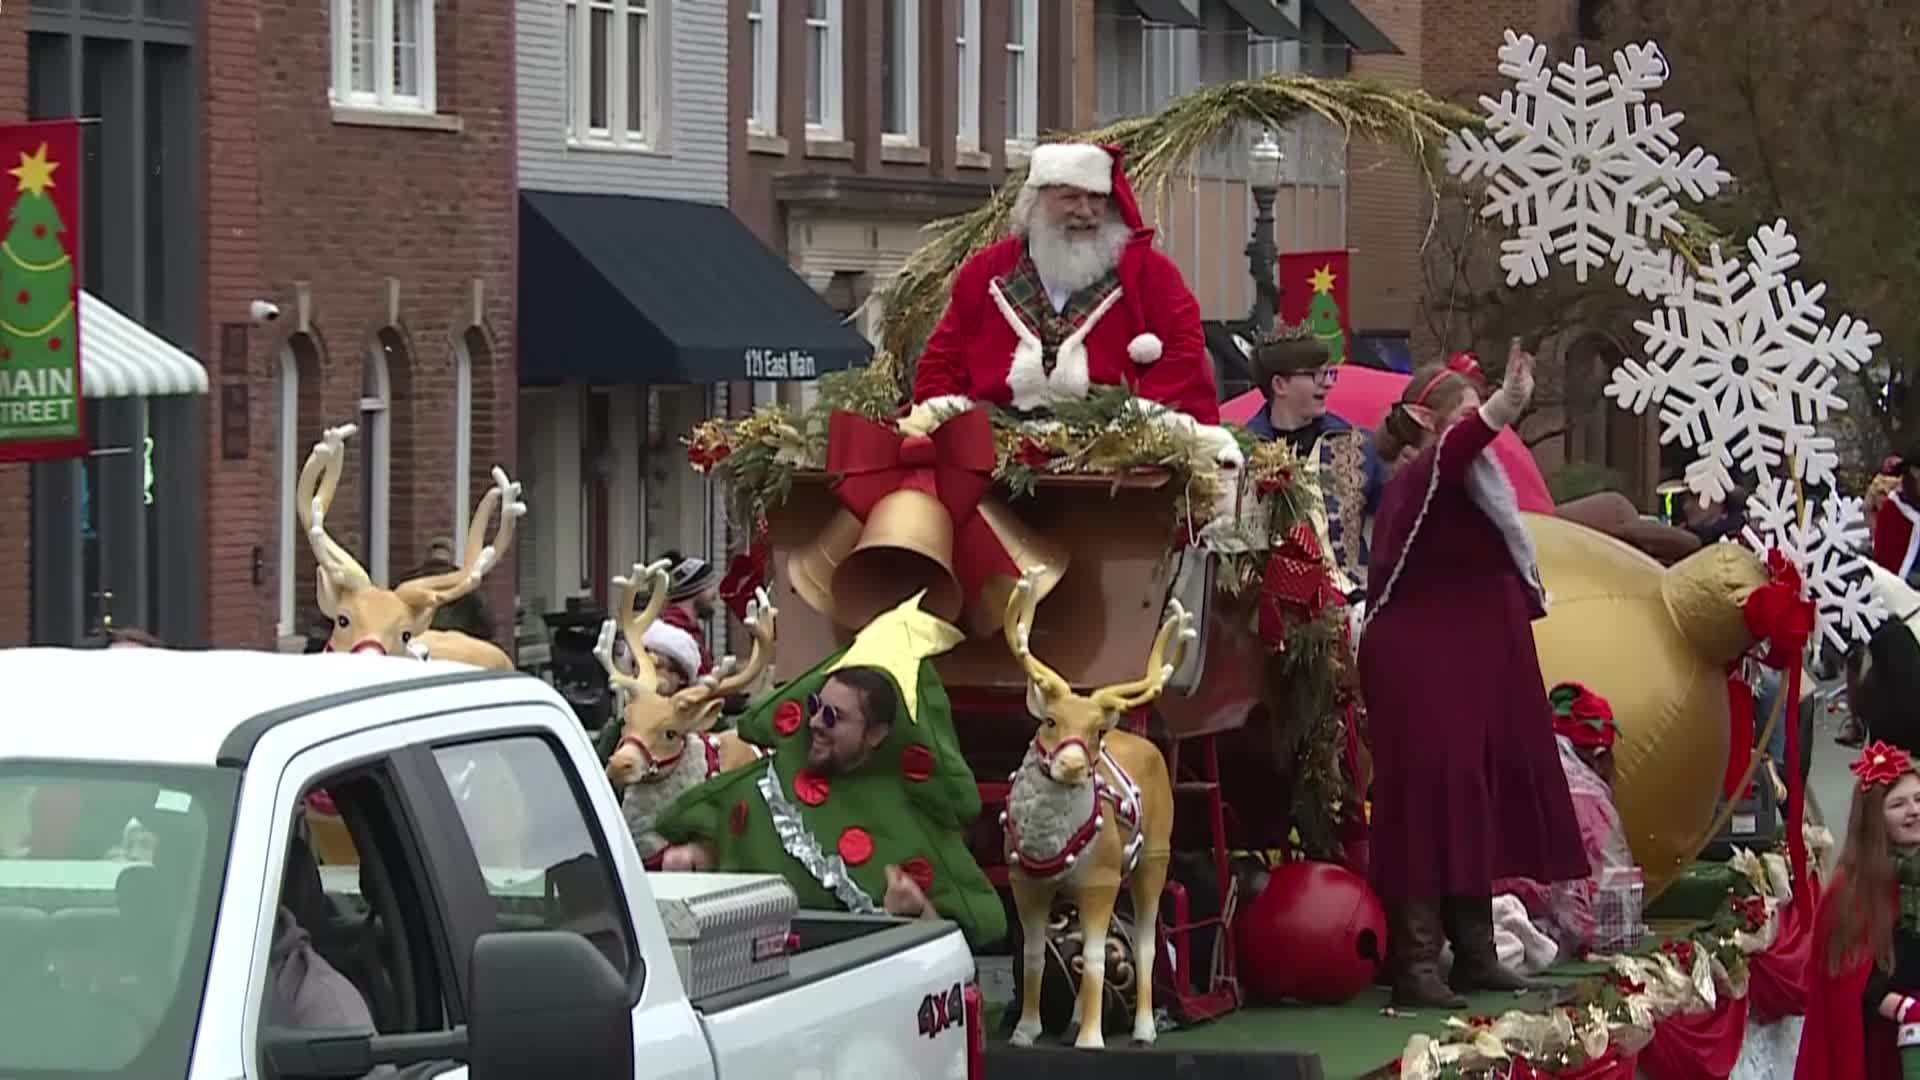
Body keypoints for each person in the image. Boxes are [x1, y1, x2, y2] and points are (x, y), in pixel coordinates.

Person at [1361, 341, 1586, 1008]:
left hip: (1470, 660)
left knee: (1472, 795)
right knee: (1429, 796)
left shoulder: (1479, 487)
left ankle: (1476, 950)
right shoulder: (1426, 473)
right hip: (1420, 661)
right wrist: (1504, 404)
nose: (1481, 426)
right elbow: (1458, 450)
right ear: (1428, 423)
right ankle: (1417, 962)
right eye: (1467, 413)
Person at [654, 594, 1007, 948]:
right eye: (814, 706)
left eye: (833, 716)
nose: (816, 723)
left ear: (875, 734)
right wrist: (697, 857)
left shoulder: (908, 821)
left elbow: (966, 936)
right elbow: (715, 838)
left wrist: (917, 911)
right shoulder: (763, 786)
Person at [906, 142, 1238, 464]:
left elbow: (1185, 349)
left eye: (1097, 199)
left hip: (1117, 453)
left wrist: (1136, 419)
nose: (1085, 212)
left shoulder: (1151, 274)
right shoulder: (985, 273)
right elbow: (943, 362)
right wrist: (947, 422)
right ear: (1035, 202)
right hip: (998, 451)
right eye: (1070, 198)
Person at [1796, 741, 1920, 1080]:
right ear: (1874, 819)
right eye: (1898, 804)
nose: (1914, 811)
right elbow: (1852, 985)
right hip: (1887, 1043)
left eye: (1919, 799)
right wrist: (1905, 1008)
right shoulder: (1851, 891)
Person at [1493, 683, 1634, 957]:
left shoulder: (1514, 772)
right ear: (1600, 756)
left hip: (1487, 925)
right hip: (1559, 936)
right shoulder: (1591, 798)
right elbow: (1613, 889)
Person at [1243, 333, 1385, 594]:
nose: (1327, 384)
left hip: (1350, 596)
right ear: (1280, 384)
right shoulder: (1240, 451)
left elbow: (1394, 517)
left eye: (1329, 373)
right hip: (1264, 601)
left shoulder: (1357, 445)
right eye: (1314, 375)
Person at [399, 537, 494, 642]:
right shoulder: (467, 585)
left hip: (415, 645)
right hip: (453, 647)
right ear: (451, 557)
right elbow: (487, 629)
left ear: (427, 556)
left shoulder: (407, 583)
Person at [656, 551, 717, 675]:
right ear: (695, 590)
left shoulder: (691, 630)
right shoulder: (671, 633)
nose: (716, 594)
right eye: (710, 586)